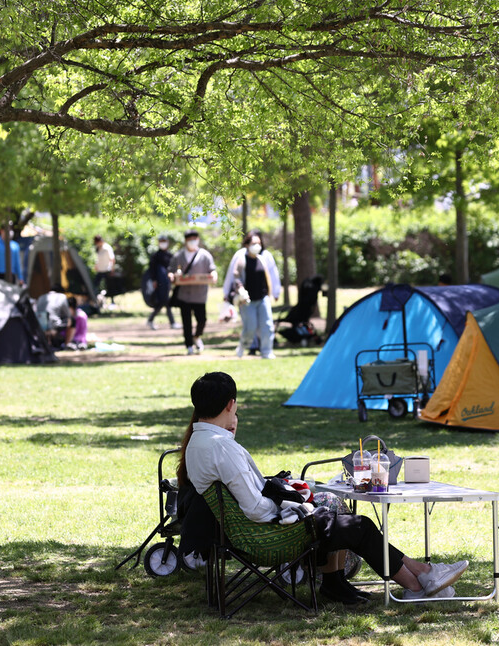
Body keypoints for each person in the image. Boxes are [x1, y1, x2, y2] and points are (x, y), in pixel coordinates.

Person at [178, 372, 468, 604]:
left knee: (342, 515)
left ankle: (424, 577)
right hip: (265, 535)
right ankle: (418, 584)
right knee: (359, 526)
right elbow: (255, 508)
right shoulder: (221, 448)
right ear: (231, 404)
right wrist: (294, 508)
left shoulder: (197, 443)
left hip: (245, 531)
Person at [222, 230, 281, 359]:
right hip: (247, 301)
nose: (257, 246)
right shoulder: (241, 259)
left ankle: (266, 351)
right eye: (254, 243)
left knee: (267, 325)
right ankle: (243, 346)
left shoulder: (262, 259)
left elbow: (270, 276)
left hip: (262, 297)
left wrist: (274, 292)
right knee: (250, 328)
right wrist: (241, 290)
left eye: (259, 243)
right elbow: (236, 277)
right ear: (247, 244)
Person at [169, 230, 217, 355]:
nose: (193, 241)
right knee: (186, 321)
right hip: (184, 294)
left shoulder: (205, 255)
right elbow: (171, 270)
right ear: (185, 241)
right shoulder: (178, 256)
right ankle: (189, 345)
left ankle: (197, 336)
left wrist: (213, 276)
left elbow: (212, 269)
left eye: (195, 239)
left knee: (202, 319)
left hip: (200, 294)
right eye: (190, 239)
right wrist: (171, 276)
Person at [145, 234, 179, 330]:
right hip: (159, 283)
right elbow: (152, 270)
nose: (163, 243)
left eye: (165, 241)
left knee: (164, 302)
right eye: (161, 241)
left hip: (167, 283)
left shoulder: (170, 256)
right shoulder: (155, 256)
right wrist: (154, 280)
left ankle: (151, 320)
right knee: (164, 301)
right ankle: (171, 322)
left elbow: (173, 268)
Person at [36, 284, 71, 349]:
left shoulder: (41, 297)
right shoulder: (62, 296)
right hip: (54, 324)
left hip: (40, 324)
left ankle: (49, 340)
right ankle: (67, 344)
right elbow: (67, 314)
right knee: (71, 321)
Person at [93, 235, 116, 301]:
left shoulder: (107, 248)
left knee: (110, 287)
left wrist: (112, 269)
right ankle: (95, 299)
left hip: (107, 270)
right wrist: (96, 265)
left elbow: (112, 259)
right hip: (100, 270)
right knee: (95, 284)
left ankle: (112, 301)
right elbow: (98, 258)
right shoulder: (98, 248)